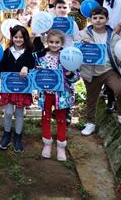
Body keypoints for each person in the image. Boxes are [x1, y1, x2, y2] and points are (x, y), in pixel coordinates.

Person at [79, 7, 121, 134]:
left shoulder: (114, 37)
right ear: (90, 19)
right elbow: (76, 51)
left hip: (109, 70)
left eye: (101, 18)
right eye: (95, 18)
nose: (98, 20)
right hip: (91, 71)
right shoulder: (83, 34)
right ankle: (90, 123)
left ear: (107, 19)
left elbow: (119, 55)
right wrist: (82, 44)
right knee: (92, 99)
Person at [33, 30, 79, 162]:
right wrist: (38, 72)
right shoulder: (40, 57)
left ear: (62, 43)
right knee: (45, 117)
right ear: (47, 42)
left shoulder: (67, 56)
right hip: (46, 94)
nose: (54, 45)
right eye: (51, 42)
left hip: (62, 95)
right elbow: (34, 75)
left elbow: (76, 76)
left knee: (61, 119)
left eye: (57, 42)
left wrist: (70, 74)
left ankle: (61, 146)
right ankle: (47, 144)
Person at [0, 26, 35, 152]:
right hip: (9, 88)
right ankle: (6, 135)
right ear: (12, 38)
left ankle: (17, 137)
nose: (18, 39)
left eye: (21, 37)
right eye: (15, 37)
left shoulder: (29, 53)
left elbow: (33, 68)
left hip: (22, 89)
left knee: (19, 113)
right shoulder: (7, 52)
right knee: (9, 112)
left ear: (25, 38)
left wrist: (26, 67)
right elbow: (0, 73)